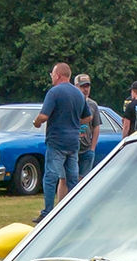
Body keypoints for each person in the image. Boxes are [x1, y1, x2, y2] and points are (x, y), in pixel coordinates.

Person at [32, 62, 90, 222]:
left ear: (57, 75)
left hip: (56, 141)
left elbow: (43, 116)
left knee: (50, 176)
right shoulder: (78, 94)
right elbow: (88, 117)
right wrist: (76, 124)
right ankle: (76, 211)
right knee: (72, 178)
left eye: (52, 74)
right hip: (73, 142)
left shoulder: (54, 92)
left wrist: (36, 122)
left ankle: (47, 212)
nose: (51, 76)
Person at [74, 73, 101, 178]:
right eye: (82, 86)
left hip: (87, 148)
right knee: (68, 178)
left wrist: (92, 148)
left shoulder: (93, 105)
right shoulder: (70, 102)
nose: (86, 89)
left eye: (87, 86)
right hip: (72, 148)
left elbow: (96, 126)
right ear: (76, 86)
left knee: (84, 179)